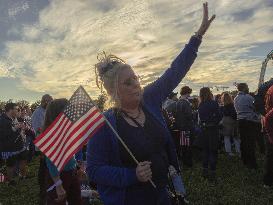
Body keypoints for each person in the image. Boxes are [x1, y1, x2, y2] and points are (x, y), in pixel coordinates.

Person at [86, 3, 215, 205]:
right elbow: (93, 170)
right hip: (130, 199)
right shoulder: (105, 124)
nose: (136, 84)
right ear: (113, 91)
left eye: (136, 78)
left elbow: (174, 72)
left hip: (163, 193)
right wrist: (131, 175)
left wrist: (197, 37)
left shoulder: (149, 100)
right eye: (128, 82)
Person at [43, 99, 82, 205]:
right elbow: (51, 162)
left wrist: (76, 167)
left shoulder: (66, 130)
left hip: (71, 172)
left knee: (76, 200)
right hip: (59, 176)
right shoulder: (51, 134)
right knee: (58, 201)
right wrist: (58, 185)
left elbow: (70, 154)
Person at [32, 94, 53, 205]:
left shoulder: (48, 111)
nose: (50, 104)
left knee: (49, 166)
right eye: (49, 102)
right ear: (44, 102)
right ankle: (43, 192)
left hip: (50, 143)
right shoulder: (37, 113)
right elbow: (37, 129)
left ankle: (49, 185)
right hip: (42, 144)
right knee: (43, 166)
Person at [234, 83, 261, 170]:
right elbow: (255, 107)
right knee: (250, 142)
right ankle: (252, 163)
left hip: (240, 121)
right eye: (247, 87)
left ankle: (244, 160)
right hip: (249, 121)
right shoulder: (248, 97)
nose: (248, 88)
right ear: (244, 88)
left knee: (243, 141)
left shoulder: (235, 98)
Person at [0, 103, 28, 185]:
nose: (19, 111)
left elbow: (18, 130)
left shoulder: (15, 118)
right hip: (9, 148)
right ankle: (10, 181)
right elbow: (2, 135)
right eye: (17, 109)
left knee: (23, 161)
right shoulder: (2, 120)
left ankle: (23, 176)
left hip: (20, 146)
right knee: (10, 165)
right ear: (11, 110)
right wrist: (15, 128)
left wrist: (22, 129)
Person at [198, 87, 221, 181]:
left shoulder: (201, 105)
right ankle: (212, 172)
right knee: (213, 150)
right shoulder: (213, 103)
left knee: (206, 150)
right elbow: (219, 115)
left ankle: (204, 171)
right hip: (213, 129)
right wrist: (214, 120)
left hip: (204, 129)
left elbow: (201, 118)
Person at [167, 86, 194, 167]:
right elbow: (189, 116)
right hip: (186, 127)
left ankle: (183, 162)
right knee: (187, 146)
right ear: (187, 93)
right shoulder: (185, 103)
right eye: (189, 93)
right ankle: (188, 163)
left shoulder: (177, 103)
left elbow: (174, 115)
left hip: (180, 127)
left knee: (183, 146)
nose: (189, 95)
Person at [263, 85, 273, 188]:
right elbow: (268, 118)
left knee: (270, 157)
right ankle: (268, 181)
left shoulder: (270, 87)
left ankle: (267, 181)